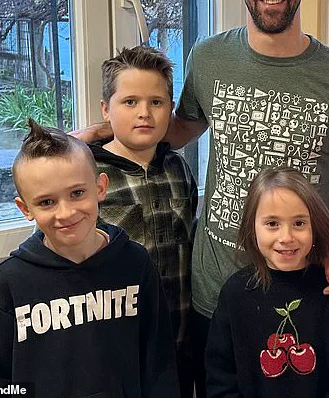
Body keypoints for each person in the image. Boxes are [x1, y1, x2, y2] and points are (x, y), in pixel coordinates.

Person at [75, 0, 329, 395]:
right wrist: (95, 137)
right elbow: (175, 131)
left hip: (304, 292)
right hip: (213, 293)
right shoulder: (209, 56)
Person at [0, 120, 180, 397]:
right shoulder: (7, 285)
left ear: (100, 188)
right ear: (25, 208)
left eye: (77, 193)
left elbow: (159, 363)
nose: (66, 213)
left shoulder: (136, 264)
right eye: (46, 202)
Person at [89, 46, 197, 397]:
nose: (144, 113)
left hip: (179, 342)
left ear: (170, 109)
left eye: (156, 102)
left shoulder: (178, 168)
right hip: (115, 347)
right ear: (106, 109)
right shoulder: (87, 177)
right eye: (130, 102)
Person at [205, 168, 329, 397]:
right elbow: (220, 378)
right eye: (272, 223)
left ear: (314, 226)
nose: (286, 237)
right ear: (252, 227)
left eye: (299, 223)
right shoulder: (234, 294)